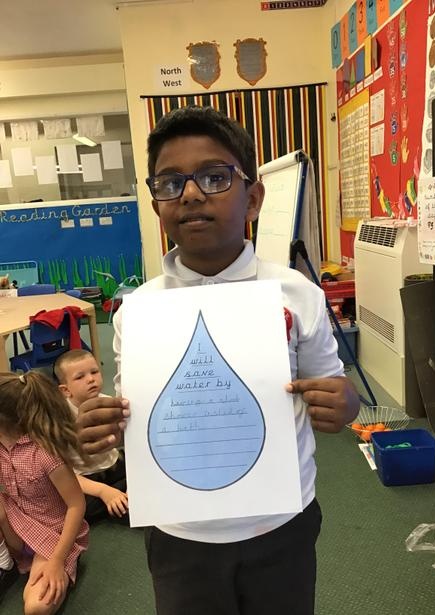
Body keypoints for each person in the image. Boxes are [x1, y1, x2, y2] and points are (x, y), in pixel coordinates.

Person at [76, 105, 360, 615]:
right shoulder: (137, 312)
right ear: (156, 203)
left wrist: (345, 404)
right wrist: (108, 423)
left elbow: (336, 391)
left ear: (253, 199)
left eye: (214, 177)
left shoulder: (296, 294)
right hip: (178, 532)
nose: (190, 194)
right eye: (170, 183)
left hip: (280, 522)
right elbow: (137, 411)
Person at [0, 371, 89, 614]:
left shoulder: (45, 454)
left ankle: (64, 560)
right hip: (16, 526)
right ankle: (5, 563)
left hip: (52, 535)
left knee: (36, 607)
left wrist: (57, 561)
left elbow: (76, 505)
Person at [54, 349, 128, 522]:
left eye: (94, 372)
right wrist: (103, 491)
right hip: (83, 478)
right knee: (82, 507)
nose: (90, 379)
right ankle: (119, 499)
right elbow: (62, 473)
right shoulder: (60, 418)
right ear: (65, 390)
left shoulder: (108, 403)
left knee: (143, 473)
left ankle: (122, 497)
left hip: (113, 464)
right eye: (80, 377)